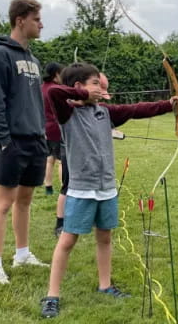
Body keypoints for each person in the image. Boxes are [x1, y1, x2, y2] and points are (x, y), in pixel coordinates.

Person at [39, 63, 178, 318]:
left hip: (106, 188)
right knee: (67, 241)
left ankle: (105, 285)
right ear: (78, 87)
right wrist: (84, 97)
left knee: (104, 237)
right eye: (95, 83)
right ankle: (52, 295)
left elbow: (136, 110)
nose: (101, 88)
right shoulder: (67, 112)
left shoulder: (103, 112)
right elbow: (52, 93)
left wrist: (168, 104)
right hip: (81, 190)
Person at [0, 0, 49, 284]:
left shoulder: (33, 59)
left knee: (25, 201)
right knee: (4, 202)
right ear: (20, 20)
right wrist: (4, 140)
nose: (41, 24)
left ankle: (22, 254)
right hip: (11, 141)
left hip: (35, 139)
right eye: (36, 19)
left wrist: (42, 133)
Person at [53, 72, 111, 238]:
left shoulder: (96, 109)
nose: (100, 96)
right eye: (96, 87)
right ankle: (60, 223)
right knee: (67, 186)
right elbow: (53, 92)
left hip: (89, 160)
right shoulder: (67, 110)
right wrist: (84, 93)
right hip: (71, 151)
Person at [42, 63, 64, 196]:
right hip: (57, 128)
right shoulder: (57, 89)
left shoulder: (40, 88)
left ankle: (48, 187)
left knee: (50, 158)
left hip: (44, 129)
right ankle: (64, 188)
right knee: (62, 161)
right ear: (56, 74)